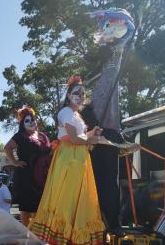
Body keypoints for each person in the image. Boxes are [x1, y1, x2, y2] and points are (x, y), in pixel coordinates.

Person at [29, 76, 106, 245]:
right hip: (69, 158)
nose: (80, 96)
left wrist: (92, 133)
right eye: (76, 92)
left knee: (78, 196)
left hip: (79, 157)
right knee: (67, 197)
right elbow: (73, 138)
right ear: (69, 94)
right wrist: (91, 140)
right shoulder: (66, 112)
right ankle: (60, 237)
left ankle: (72, 236)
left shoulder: (77, 114)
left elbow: (81, 137)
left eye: (83, 93)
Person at [4, 106, 51, 226]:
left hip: (43, 177)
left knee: (40, 206)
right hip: (26, 176)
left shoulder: (43, 136)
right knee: (25, 206)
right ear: (22, 124)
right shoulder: (20, 136)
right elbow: (7, 148)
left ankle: (37, 232)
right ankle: (26, 233)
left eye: (33, 119)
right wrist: (15, 162)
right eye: (27, 121)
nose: (31, 122)